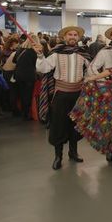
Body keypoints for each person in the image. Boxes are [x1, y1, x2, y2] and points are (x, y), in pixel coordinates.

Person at [34, 26, 91, 170]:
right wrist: (40, 56)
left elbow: (91, 71)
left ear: (78, 38)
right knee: (58, 125)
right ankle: (58, 156)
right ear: (64, 37)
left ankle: (73, 152)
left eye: (75, 35)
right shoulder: (56, 53)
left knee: (75, 125)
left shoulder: (83, 54)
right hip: (60, 95)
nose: (72, 37)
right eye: (70, 35)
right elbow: (43, 69)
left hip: (78, 95)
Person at [14, 35, 39, 120]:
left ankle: (23, 112)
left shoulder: (20, 50)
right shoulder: (34, 52)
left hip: (18, 75)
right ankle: (27, 113)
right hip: (29, 76)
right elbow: (37, 65)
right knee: (28, 95)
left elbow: (14, 60)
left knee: (21, 94)